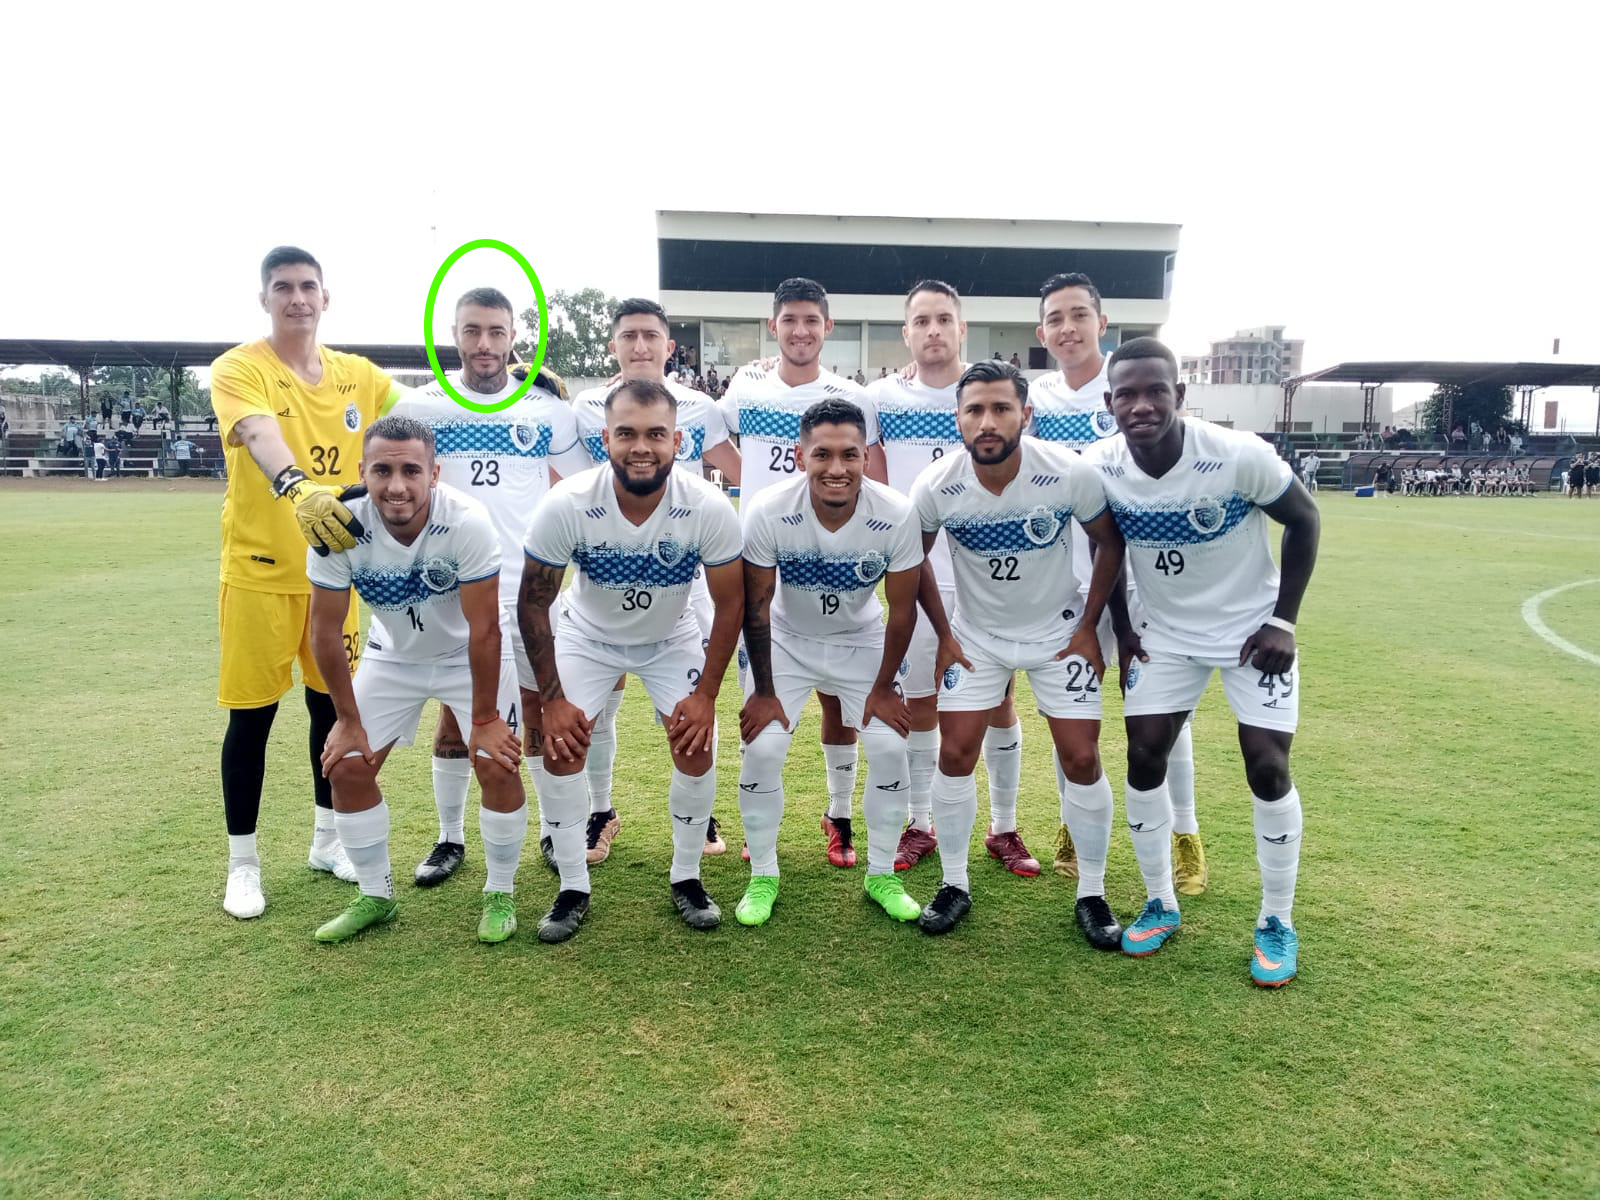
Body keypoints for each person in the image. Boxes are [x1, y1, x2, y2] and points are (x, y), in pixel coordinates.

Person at [1085, 337, 1320, 987]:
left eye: (1155, 390)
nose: (1141, 405)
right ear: (1109, 403)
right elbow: (1109, 553)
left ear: (1179, 395)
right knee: (1142, 757)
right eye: (1126, 394)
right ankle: (1160, 901)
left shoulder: (1237, 455)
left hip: (1252, 637)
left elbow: (1304, 520)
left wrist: (1283, 622)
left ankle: (1277, 919)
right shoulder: (1099, 466)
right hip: (1167, 636)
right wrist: (1126, 631)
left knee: (1268, 766)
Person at [209, 245, 403, 921]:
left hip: (336, 576)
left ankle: (328, 843)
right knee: (252, 721)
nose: (297, 298)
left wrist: (503, 396)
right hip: (262, 573)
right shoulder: (240, 367)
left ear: (326, 298)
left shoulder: (357, 375)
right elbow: (258, 431)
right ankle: (242, 864)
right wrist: (296, 486)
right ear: (265, 298)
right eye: (283, 287)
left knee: (334, 712)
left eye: (308, 287)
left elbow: (421, 414)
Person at [909, 360, 1127, 943]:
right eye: (975, 409)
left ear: (1025, 415)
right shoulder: (937, 484)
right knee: (954, 753)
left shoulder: (1067, 472)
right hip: (977, 638)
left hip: (1059, 635)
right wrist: (946, 633)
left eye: (1001, 408)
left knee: (1081, 758)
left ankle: (1093, 892)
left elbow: (1110, 544)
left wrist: (1088, 627)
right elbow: (912, 562)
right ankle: (955, 883)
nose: (988, 421)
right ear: (957, 418)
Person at [520, 378, 744, 937]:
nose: (640, 446)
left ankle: (687, 876)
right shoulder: (568, 502)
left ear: (678, 441)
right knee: (564, 750)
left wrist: (706, 695)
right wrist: (551, 700)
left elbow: (731, 601)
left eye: (655, 434)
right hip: (587, 637)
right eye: (626, 433)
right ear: (605, 438)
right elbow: (534, 602)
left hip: (671, 638)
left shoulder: (708, 507)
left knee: (695, 749)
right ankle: (573, 885)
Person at [388, 287, 592, 886]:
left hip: (528, 592)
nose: (484, 344)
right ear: (454, 333)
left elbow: (580, 486)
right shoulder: (419, 409)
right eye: (473, 330)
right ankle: (450, 837)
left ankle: (558, 834)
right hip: (448, 591)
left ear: (513, 338)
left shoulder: (544, 410)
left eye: (496, 332)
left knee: (541, 710)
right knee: (457, 716)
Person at [306, 416, 530, 943]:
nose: (397, 485)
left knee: (497, 764)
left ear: (435, 472)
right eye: (382, 470)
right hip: (393, 658)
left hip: (464, 653)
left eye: (411, 470)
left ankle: (500, 892)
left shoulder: (467, 520)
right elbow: (324, 630)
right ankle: (375, 896)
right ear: (363, 471)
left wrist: (485, 719)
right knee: (346, 766)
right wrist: (346, 719)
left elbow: (484, 629)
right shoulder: (337, 527)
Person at [1028, 272, 1206, 891]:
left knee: (1157, 714)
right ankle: (1074, 829)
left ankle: (1185, 834)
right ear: (1042, 331)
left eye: (1079, 314)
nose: (1068, 328)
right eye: (1055, 318)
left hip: (1143, 584)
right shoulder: (1035, 402)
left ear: (1102, 323)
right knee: (1070, 712)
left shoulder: (1136, 387)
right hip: (1066, 586)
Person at [737, 397, 925, 926]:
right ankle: (763, 876)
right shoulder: (769, 509)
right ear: (800, 456)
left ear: (867, 456)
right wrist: (765, 690)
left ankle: (881, 873)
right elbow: (755, 607)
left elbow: (902, 609)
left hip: (860, 641)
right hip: (786, 641)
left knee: (890, 746)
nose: (836, 469)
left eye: (849, 455)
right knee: (765, 748)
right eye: (822, 454)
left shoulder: (896, 511)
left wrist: (885, 687)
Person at [719, 278, 886, 867]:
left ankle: (838, 816)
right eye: (789, 319)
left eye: (811, 320)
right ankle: (757, 828)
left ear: (827, 327)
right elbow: (715, 442)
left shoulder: (851, 397)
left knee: (840, 708)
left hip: (835, 557)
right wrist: (759, 493)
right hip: (764, 555)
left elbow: (877, 477)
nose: (800, 330)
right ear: (774, 327)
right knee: (762, 703)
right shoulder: (745, 383)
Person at [569, 299, 743, 863]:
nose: (640, 346)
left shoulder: (701, 406)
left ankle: (699, 812)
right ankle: (599, 810)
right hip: (609, 564)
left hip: (684, 570)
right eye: (629, 337)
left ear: (670, 348)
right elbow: (561, 472)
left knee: (693, 701)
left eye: (651, 337)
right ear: (613, 346)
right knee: (601, 697)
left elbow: (744, 469)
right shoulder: (582, 405)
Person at [867, 281, 1028, 873]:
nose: (933, 330)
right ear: (905, 332)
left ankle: (1005, 827)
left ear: (962, 327)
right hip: (917, 572)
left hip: (987, 575)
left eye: (943, 319)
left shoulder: (989, 391)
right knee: (921, 700)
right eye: (921, 321)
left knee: (999, 701)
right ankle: (921, 823)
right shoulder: (879, 397)